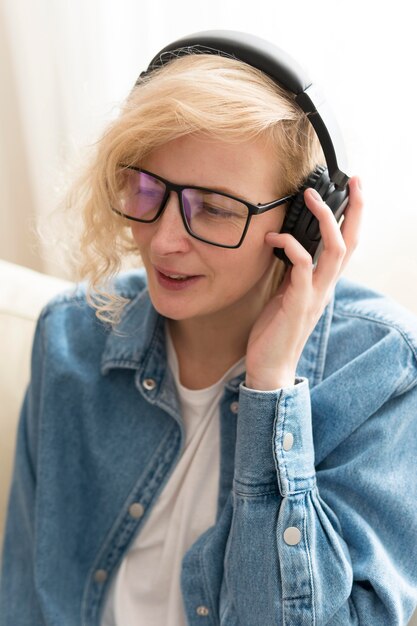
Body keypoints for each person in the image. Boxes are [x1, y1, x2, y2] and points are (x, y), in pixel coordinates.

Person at [1, 30, 417, 626]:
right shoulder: (69, 337)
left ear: (303, 224)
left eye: (216, 209)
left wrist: (271, 389)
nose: (165, 242)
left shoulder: (383, 370)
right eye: (147, 190)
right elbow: (27, 598)